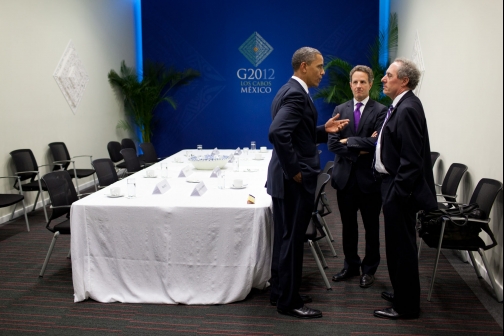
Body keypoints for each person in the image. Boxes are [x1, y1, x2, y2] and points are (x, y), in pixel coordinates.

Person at [267, 47, 349, 319]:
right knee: (292, 240)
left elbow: (296, 134)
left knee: (285, 238)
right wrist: (295, 171)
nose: (323, 72)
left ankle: (280, 291)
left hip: (284, 179)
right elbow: (278, 133)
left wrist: (322, 131)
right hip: (291, 181)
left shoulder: (287, 89)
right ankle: (289, 302)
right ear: (304, 66)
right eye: (319, 66)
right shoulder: (295, 94)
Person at [373, 58, 437, 319]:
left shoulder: (408, 108)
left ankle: (407, 306)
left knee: (402, 250)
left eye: (389, 75)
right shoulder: (401, 106)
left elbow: (411, 162)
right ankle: (402, 291)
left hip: (399, 191)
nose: (383, 79)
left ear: (404, 81)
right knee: (397, 248)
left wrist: (396, 196)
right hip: (391, 186)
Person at [328, 65, 387, 288]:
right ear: (350, 84)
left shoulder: (381, 110)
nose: (359, 86)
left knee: (372, 228)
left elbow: (376, 143)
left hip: (369, 180)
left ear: (371, 84)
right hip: (345, 179)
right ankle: (350, 265)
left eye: (363, 82)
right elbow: (332, 143)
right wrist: (359, 144)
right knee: (348, 226)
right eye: (355, 82)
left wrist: (348, 141)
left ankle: (369, 269)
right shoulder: (340, 109)